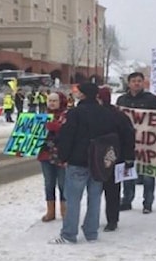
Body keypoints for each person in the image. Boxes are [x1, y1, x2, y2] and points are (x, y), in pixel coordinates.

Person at [51, 82, 124, 244]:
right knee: (95, 198)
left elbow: (67, 136)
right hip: (99, 162)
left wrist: (63, 157)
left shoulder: (75, 113)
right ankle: (91, 232)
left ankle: (69, 234)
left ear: (83, 94)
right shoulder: (106, 113)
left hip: (78, 161)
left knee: (73, 199)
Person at [117, 71, 156, 214]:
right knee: (127, 172)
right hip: (128, 143)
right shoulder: (122, 100)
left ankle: (148, 203)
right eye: (134, 81)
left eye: (139, 81)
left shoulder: (151, 99)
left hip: (148, 144)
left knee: (148, 175)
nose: (136, 83)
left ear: (143, 83)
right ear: (129, 83)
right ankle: (127, 200)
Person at [98, 86, 136, 232]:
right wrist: (128, 157)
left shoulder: (108, 115)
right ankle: (112, 220)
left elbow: (127, 136)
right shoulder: (120, 115)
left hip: (99, 158)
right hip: (116, 158)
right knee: (113, 191)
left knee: (96, 191)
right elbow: (129, 137)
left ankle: (95, 218)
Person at [38, 91, 68, 223]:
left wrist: (56, 127)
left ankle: (65, 211)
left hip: (61, 155)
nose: (52, 103)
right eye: (50, 100)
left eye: (55, 100)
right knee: (49, 183)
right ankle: (50, 211)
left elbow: (70, 132)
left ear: (61, 101)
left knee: (63, 184)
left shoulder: (67, 115)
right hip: (45, 155)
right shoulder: (41, 117)